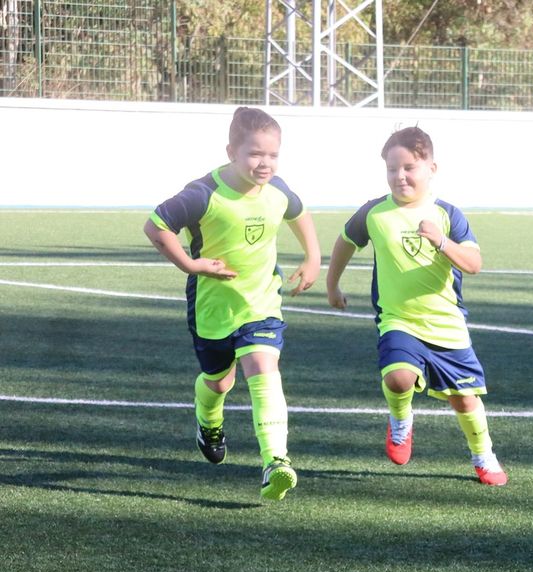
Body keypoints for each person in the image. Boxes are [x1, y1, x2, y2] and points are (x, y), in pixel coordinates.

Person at [143, 106, 319, 501]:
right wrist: (191, 264)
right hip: (213, 306)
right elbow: (156, 225)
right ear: (231, 152)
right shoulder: (203, 193)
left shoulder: (277, 189)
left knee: (263, 368)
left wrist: (313, 257)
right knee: (219, 380)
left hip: (261, 302)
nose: (265, 163)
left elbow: (299, 212)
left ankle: (275, 461)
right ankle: (208, 420)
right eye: (255, 154)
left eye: (273, 155)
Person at [324, 126, 507, 485]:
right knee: (398, 377)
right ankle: (400, 419)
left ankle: (483, 455)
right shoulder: (374, 213)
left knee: (464, 400)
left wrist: (442, 242)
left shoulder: (448, 214)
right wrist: (332, 285)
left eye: (409, 167)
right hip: (398, 319)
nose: (400, 176)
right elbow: (345, 241)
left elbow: (473, 264)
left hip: (445, 324)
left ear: (431, 169)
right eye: (392, 169)